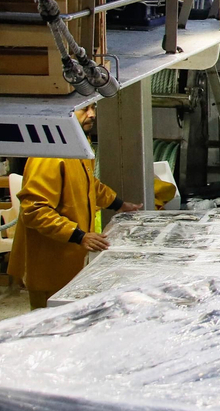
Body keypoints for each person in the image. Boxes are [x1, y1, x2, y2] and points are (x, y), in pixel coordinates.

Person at [9, 104, 143, 308]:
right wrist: (79, 236)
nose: (92, 115)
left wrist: (119, 205)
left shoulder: (77, 147)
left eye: (94, 107)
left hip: (72, 262)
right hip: (50, 267)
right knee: (51, 331)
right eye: (84, 109)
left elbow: (89, 184)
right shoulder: (49, 154)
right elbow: (35, 210)